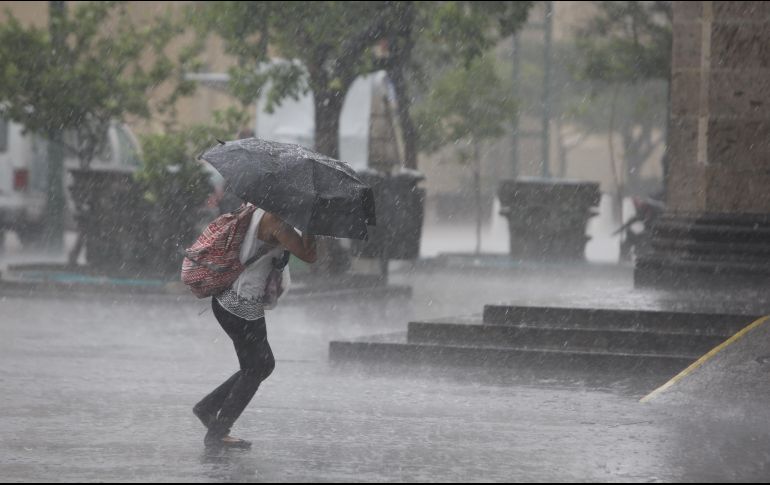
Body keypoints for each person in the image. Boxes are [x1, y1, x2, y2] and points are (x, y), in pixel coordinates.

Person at [193, 204, 317, 449]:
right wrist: (313, 222)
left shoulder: (252, 209)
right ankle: (218, 432)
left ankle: (208, 407)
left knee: (259, 365)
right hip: (241, 305)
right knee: (257, 368)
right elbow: (309, 255)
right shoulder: (275, 220)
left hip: (229, 299)